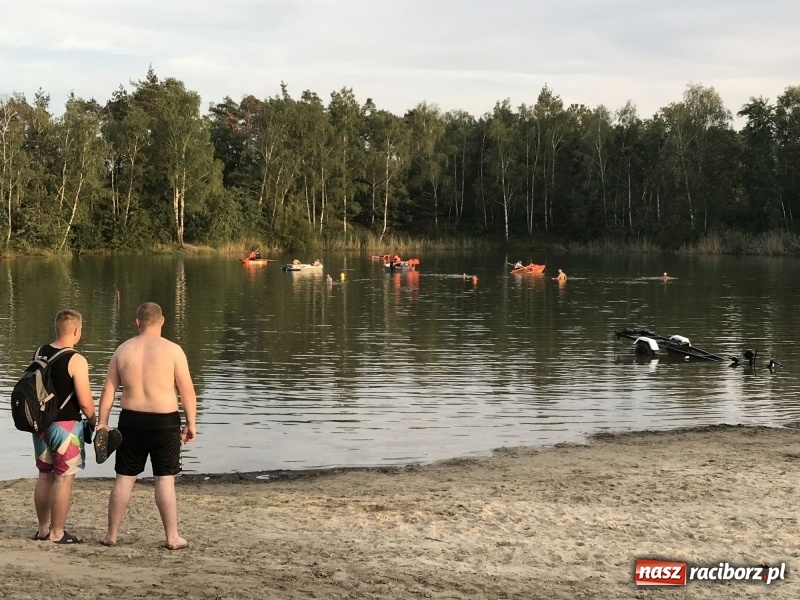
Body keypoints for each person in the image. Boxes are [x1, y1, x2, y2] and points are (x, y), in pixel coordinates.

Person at [96, 302, 197, 550]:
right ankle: (172, 538)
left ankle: (111, 535)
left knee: (124, 477)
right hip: (164, 421)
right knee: (164, 479)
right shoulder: (173, 350)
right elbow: (187, 391)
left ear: (137, 322)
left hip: (131, 420)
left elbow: (108, 390)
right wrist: (191, 423)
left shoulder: (123, 350)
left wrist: (102, 422)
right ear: (162, 321)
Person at [31, 309, 97, 544]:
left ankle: (42, 529)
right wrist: (92, 419)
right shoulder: (76, 360)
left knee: (45, 475)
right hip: (66, 427)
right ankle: (57, 532)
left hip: (40, 425)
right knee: (64, 478)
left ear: (56, 327)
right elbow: (85, 401)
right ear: (77, 331)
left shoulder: (40, 353)